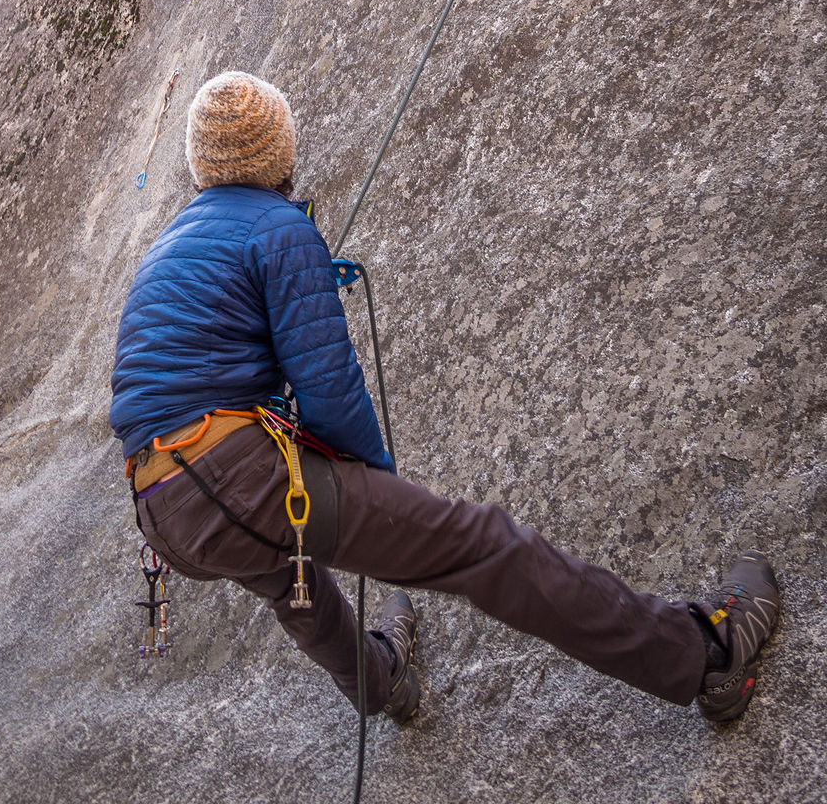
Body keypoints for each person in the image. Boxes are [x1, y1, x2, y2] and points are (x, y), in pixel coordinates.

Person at [110, 71, 780, 727]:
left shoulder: (167, 247)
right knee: (480, 543)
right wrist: (381, 491)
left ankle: (382, 683)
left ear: (201, 162)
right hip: (234, 479)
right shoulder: (278, 227)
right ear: (279, 152)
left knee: (294, 582)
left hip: (164, 511)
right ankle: (707, 656)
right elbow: (328, 384)